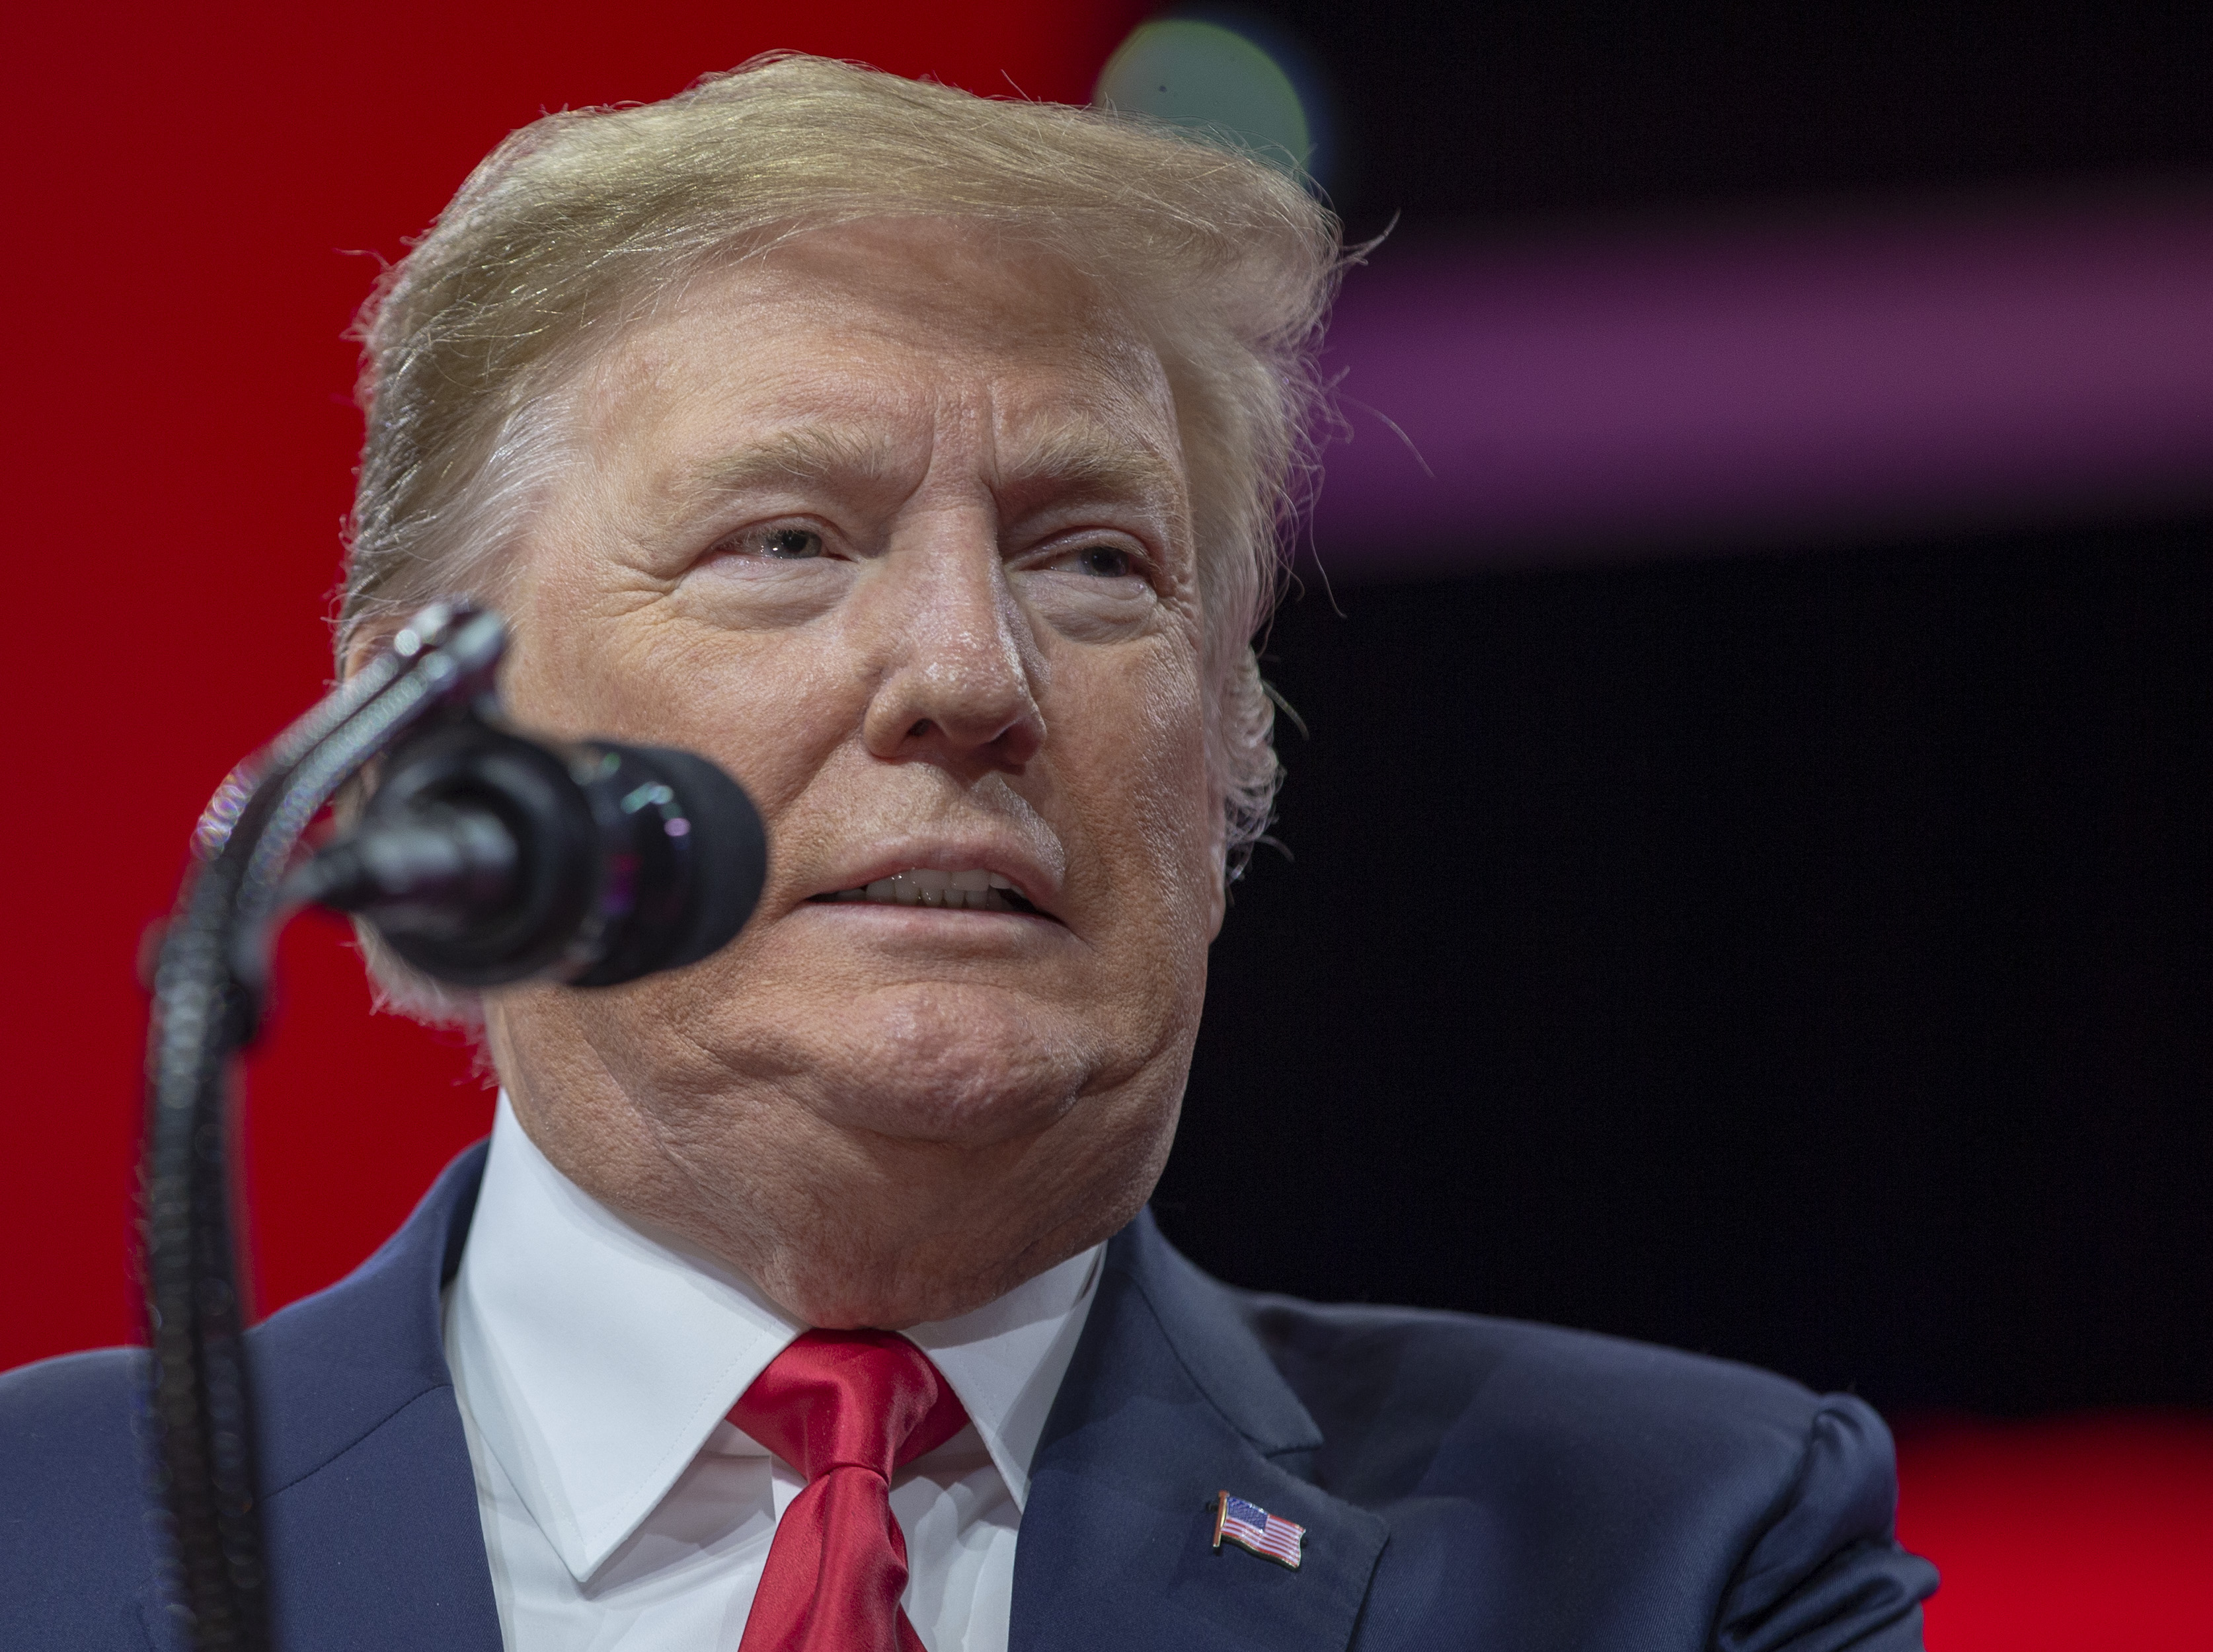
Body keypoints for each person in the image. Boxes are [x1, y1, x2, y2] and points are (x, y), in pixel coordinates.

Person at [0, 56, 1935, 1651]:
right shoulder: (37, 1551)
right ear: (431, 750)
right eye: (786, 540)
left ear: (1224, 759)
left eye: (1093, 560)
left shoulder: (1669, 1555)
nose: (965, 670)